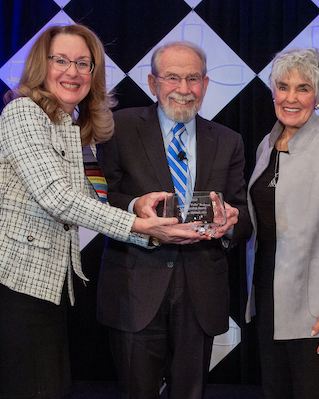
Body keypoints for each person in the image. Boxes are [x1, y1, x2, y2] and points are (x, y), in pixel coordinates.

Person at [0, 25, 201, 399]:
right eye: (61, 60)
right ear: (42, 65)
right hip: (9, 283)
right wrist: (140, 226)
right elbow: (57, 197)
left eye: (83, 64)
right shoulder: (25, 113)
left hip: (45, 286)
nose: (72, 71)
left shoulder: (70, 127)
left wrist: (138, 205)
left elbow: (94, 199)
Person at [96, 40, 252, 399]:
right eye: (172, 78)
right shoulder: (118, 128)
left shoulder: (229, 141)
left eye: (193, 79)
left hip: (201, 290)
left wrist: (231, 220)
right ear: (153, 84)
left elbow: (243, 215)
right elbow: (100, 200)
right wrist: (136, 205)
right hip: (135, 286)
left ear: (206, 85)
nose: (184, 89)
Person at [244, 47, 319, 399]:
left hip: (316, 304)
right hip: (267, 295)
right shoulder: (266, 146)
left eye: (303, 88)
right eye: (283, 87)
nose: (290, 98)